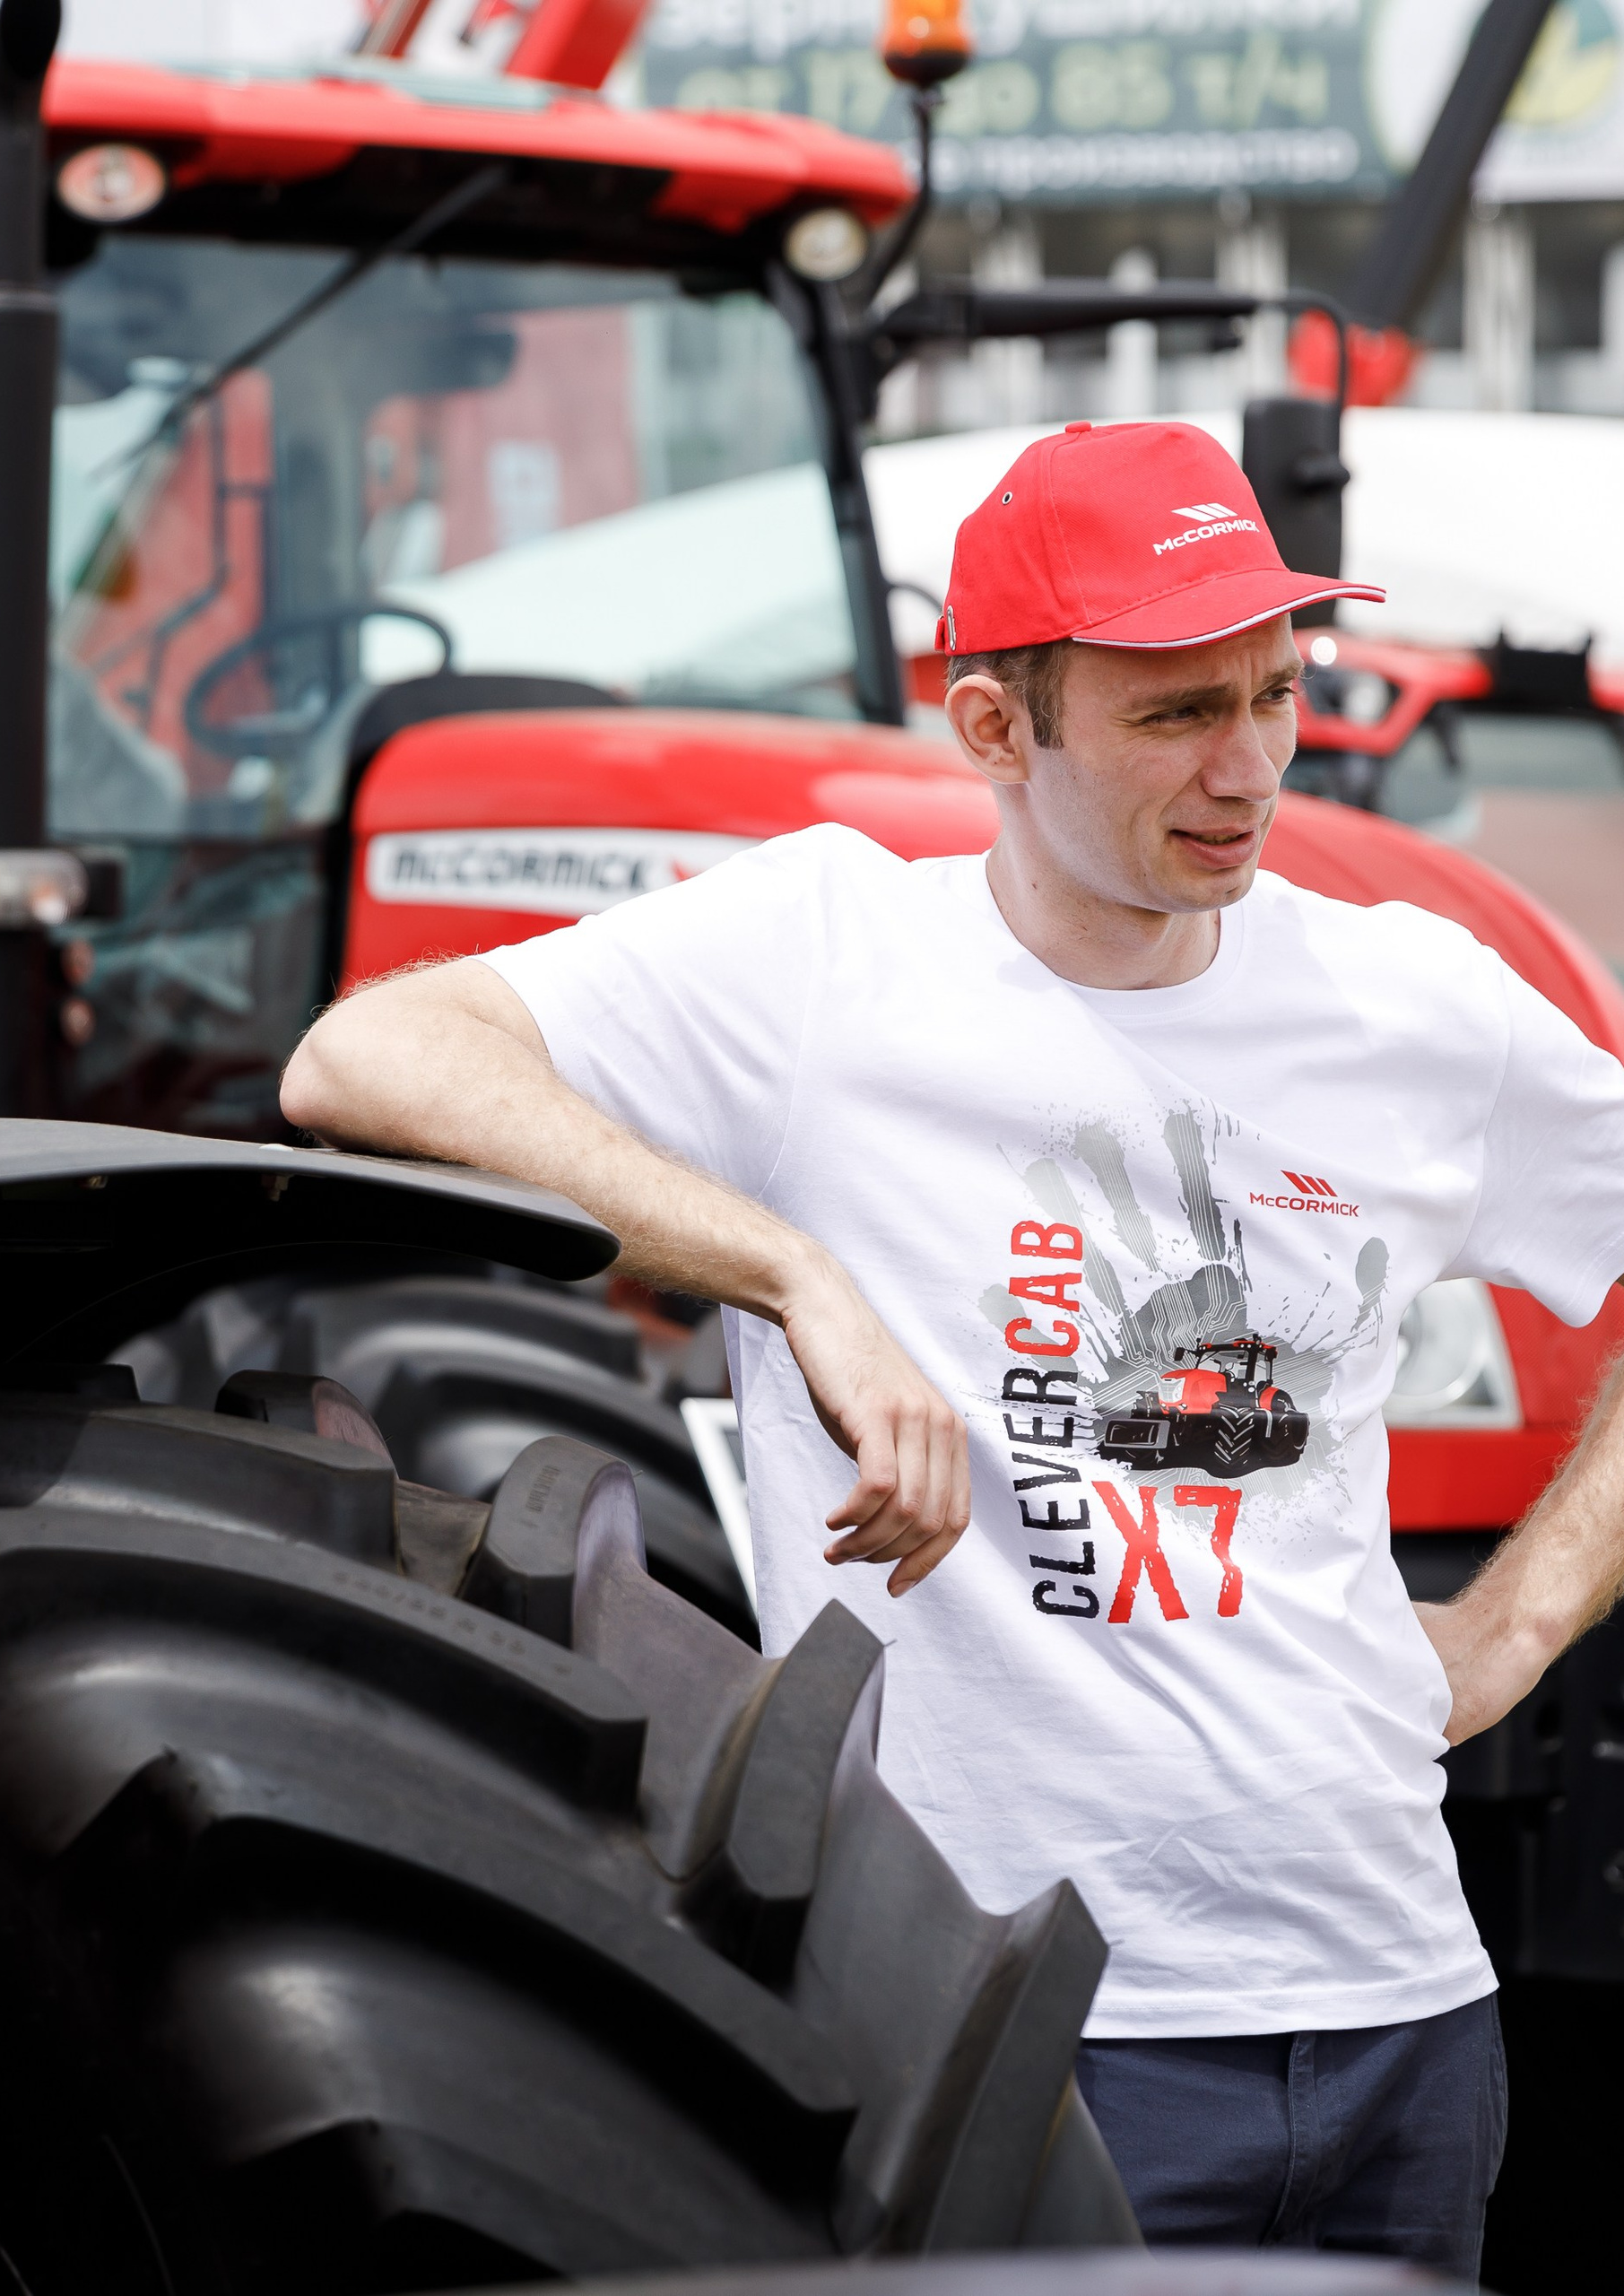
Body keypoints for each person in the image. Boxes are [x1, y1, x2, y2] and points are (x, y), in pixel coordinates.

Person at [280, 419, 1624, 2277]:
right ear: (994, 729)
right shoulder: (828, 958)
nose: (1246, 769)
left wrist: (1518, 1621)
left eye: (1273, 695)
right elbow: (360, 1060)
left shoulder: (1411, 1002)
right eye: (1170, 716)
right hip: (1020, 2020)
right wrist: (788, 1273)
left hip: (1396, 1995)